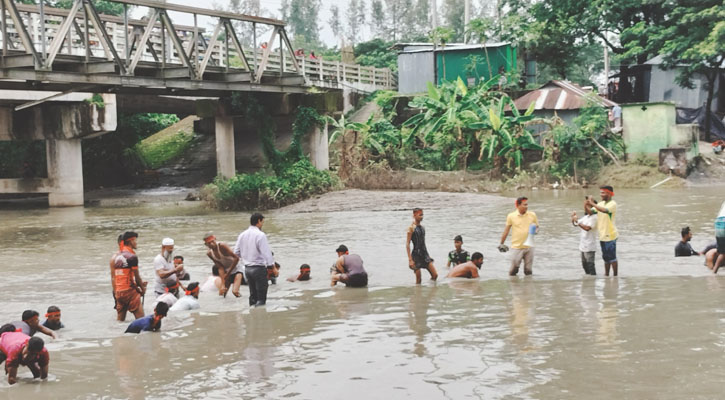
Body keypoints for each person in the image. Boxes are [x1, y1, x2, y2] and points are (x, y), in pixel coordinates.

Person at [234, 213, 276, 307]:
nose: (262, 224)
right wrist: (272, 267)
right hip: (259, 268)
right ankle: (260, 317)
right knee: (261, 299)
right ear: (259, 221)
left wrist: (246, 257)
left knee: (253, 296)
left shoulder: (242, 235)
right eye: (262, 222)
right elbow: (266, 253)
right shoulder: (260, 235)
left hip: (247, 269)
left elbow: (236, 252)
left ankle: (252, 317)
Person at [499, 197, 539, 276]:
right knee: (513, 270)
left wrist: (535, 231)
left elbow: (537, 227)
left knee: (528, 270)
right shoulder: (511, 216)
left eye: (527, 204)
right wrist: (501, 243)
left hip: (530, 247)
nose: (527, 206)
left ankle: (527, 286)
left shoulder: (532, 215)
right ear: (518, 205)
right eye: (524, 205)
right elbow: (506, 230)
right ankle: (513, 286)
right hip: (517, 247)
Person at [113, 231, 148, 321]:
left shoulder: (116, 256)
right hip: (129, 292)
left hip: (119, 292)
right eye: (135, 240)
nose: (136, 243)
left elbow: (121, 276)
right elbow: (137, 277)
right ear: (130, 241)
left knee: (120, 322)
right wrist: (142, 288)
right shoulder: (131, 256)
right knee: (141, 321)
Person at [587, 186, 619, 276]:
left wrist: (592, 203)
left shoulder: (613, 204)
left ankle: (615, 276)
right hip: (602, 235)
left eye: (603, 193)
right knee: (605, 257)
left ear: (609, 193)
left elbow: (604, 210)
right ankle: (606, 275)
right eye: (600, 193)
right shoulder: (600, 203)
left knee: (612, 258)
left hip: (610, 234)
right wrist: (586, 204)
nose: (601, 195)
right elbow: (590, 212)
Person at [204, 232, 243, 297]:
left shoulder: (222, 246)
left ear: (215, 239)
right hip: (227, 271)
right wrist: (222, 284)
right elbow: (220, 267)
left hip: (237, 268)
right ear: (206, 244)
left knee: (235, 291)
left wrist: (228, 273)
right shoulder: (209, 253)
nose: (211, 244)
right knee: (222, 294)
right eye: (209, 243)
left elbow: (236, 258)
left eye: (212, 241)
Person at [406, 208, 439, 284]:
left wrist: (428, 256)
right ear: (414, 215)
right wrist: (410, 259)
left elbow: (423, 243)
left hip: (424, 255)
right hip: (416, 255)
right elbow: (407, 244)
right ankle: (417, 294)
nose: (422, 217)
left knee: (435, 275)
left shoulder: (423, 228)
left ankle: (430, 290)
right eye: (420, 215)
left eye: (422, 215)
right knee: (419, 279)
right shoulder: (411, 228)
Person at [572, 196, 598, 275]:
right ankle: (589, 283)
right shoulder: (586, 217)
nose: (586, 208)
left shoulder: (595, 217)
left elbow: (587, 228)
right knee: (584, 265)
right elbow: (576, 224)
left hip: (590, 246)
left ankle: (593, 282)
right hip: (583, 245)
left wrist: (577, 222)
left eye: (588, 206)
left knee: (590, 265)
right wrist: (573, 218)